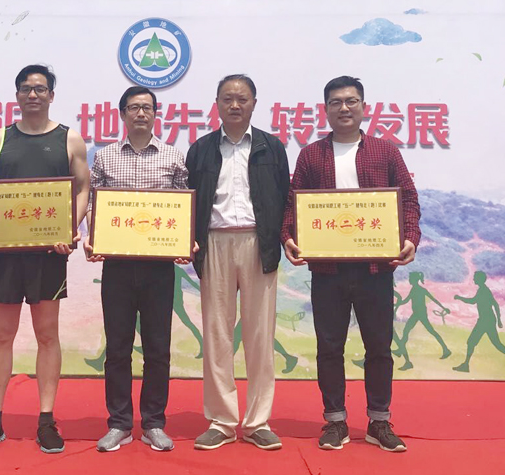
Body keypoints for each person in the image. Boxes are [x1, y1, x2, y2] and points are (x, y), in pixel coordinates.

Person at [282, 76, 421, 453]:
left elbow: (408, 199)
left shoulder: (385, 151)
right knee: (329, 347)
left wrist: (410, 237)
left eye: (351, 101)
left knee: (379, 347)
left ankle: (379, 421)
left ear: (363, 106)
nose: (344, 108)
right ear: (325, 109)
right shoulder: (311, 155)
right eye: (336, 102)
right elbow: (293, 203)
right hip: (328, 270)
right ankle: (335, 421)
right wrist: (288, 236)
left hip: (375, 267)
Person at [0, 64, 90, 453]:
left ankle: (47, 420)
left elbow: (83, 188)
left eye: (40, 88)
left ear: (52, 95)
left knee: (47, 335)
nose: (32, 94)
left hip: (49, 254)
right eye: (25, 89)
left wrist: (71, 227)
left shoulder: (70, 139)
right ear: (17, 95)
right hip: (5, 254)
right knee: (2, 336)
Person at [84, 86, 191, 452]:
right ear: (123, 114)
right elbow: (94, 205)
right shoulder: (105, 156)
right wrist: (93, 238)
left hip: (159, 267)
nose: (141, 113)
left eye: (147, 107)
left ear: (156, 114)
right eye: (134, 108)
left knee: (158, 348)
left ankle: (154, 423)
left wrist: (186, 241)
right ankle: (119, 423)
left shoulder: (174, 156)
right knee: (117, 348)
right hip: (117, 266)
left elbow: (183, 207)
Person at [187, 74, 290, 451]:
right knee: (217, 333)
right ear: (216, 103)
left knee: (260, 334)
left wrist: (285, 239)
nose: (234, 105)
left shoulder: (271, 147)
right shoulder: (201, 149)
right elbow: (189, 200)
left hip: (258, 242)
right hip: (214, 241)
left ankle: (259, 420)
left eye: (242, 99)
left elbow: (285, 197)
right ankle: (222, 420)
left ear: (254, 104)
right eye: (227, 98)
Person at [394, 271, 451, 370]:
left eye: (411, 278)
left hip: (420, 314)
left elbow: (433, 299)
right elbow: (406, 300)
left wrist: (443, 308)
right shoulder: (414, 289)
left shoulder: (420, 289)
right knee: (407, 331)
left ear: (415, 279)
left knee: (431, 331)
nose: (409, 280)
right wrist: (396, 304)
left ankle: (446, 349)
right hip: (416, 314)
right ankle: (401, 351)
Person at [453, 271, 505, 372]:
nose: (473, 279)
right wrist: (498, 320)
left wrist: (459, 297)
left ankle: (465, 366)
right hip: (487, 320)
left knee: (473, 342)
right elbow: (494, 304)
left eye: (475, 277)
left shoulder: (483, 290)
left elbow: (474, 301)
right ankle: (465, 365)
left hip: (486, 320)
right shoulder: (483, 289)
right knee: (495, 343)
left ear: (480, 279)